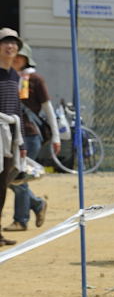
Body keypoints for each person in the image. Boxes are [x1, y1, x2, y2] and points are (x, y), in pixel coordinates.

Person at [3, 43, 60, 232]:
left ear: (26, 59)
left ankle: (21, 219)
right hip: (9, 136)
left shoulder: (35, 79)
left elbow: (48, 109)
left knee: (18, 176)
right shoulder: (7, 75)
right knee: (10, 178)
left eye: (20, 57)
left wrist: (56, 137)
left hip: (29, 135)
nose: (16, 59)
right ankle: (37, 204)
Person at [0, 28, 26, 247]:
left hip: (9, 140)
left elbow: (18, 110)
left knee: (2, 187)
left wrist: (22, 141)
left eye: (14, 43)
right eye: (5, 43)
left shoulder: (15, 76)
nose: (10, 46)